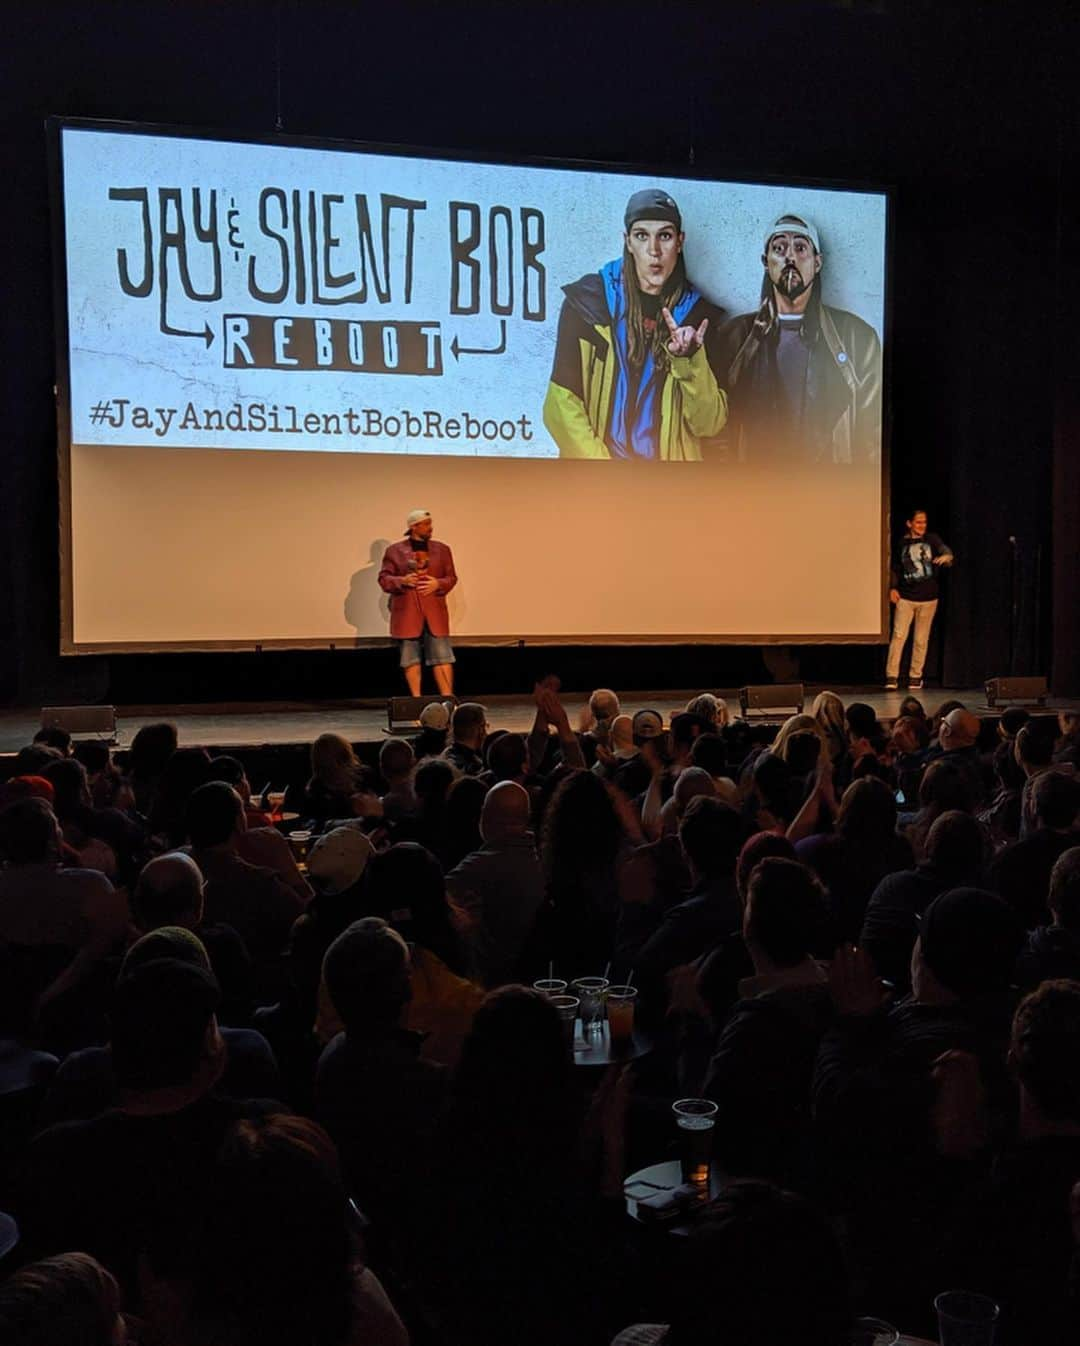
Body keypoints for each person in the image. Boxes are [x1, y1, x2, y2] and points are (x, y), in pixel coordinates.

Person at [543, 187, 727, 460]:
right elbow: (560, 407)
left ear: (679, 242)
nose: (654, 251)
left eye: (664, 236)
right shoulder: (588, 304)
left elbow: (709, 424)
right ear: (628, 241)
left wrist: (690, 361)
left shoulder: (699, 318)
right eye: (642, 236)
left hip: (668, 494)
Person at [716, 211, 882, 465]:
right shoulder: (734, 338)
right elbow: (716, 434)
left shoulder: (858, 340)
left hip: (827, 497)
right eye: (779, 247)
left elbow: (872, 442)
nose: (790, 257)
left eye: (800, 248)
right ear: (765, 261)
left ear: (817, 263)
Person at [377, 507, 457, 696]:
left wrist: (438, 583)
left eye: (431, 523)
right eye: (426, 524)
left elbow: (452, 577)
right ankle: (416, 702)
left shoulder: (442, 550)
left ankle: (448, 702)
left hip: (434, 614)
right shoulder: (395, 551)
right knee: (410, 659)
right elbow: (384, 579)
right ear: (414, 526)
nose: (431, 528)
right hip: (407, 614)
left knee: (442, 657)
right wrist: (402, 581)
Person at [885, 508, 954, 690]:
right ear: (910, 523)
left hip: (929, 598)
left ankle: (915, 677)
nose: (922, 526)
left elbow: (945, 551)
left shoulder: (932, 539)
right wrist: (892, 588)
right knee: (899, 636)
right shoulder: (901, 543)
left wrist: (947, 557)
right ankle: (892, 676)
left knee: (921, 640)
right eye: (918, 522)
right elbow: (895, 568)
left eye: (924, 522)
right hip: (906, 598)